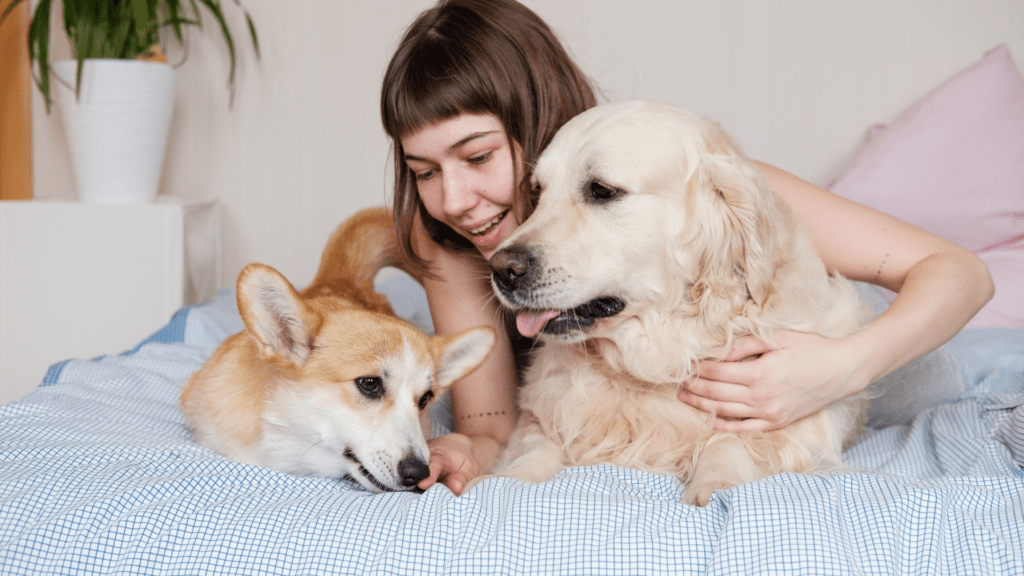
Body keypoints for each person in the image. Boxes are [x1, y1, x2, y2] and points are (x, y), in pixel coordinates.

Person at [380, 0, 994, 495]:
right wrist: (465, 448)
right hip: (586, 400)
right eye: (424, 171)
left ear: (536, 122)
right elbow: (489, 424)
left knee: (929, 376)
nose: (453, 198)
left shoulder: (707, 180)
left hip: (822, 343)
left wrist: (841, 367)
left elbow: (959, 272)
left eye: (478, 156)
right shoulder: (449, 240)